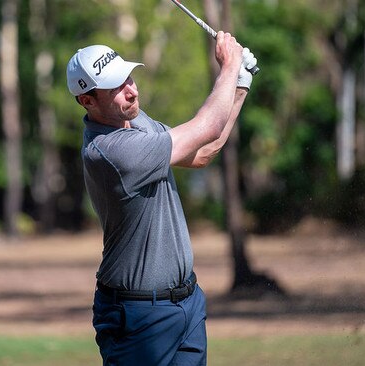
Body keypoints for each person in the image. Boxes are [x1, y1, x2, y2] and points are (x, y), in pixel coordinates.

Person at [66, 32, 257, 365]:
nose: (131, 90)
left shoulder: (133, 122)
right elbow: (206, 127)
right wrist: (228, 67)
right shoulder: (111, 153)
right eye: (116, 88)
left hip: (187, 303)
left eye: (128, 78)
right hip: (138, 316)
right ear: (87, 101)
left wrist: (239, 86)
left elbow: (201, 153)